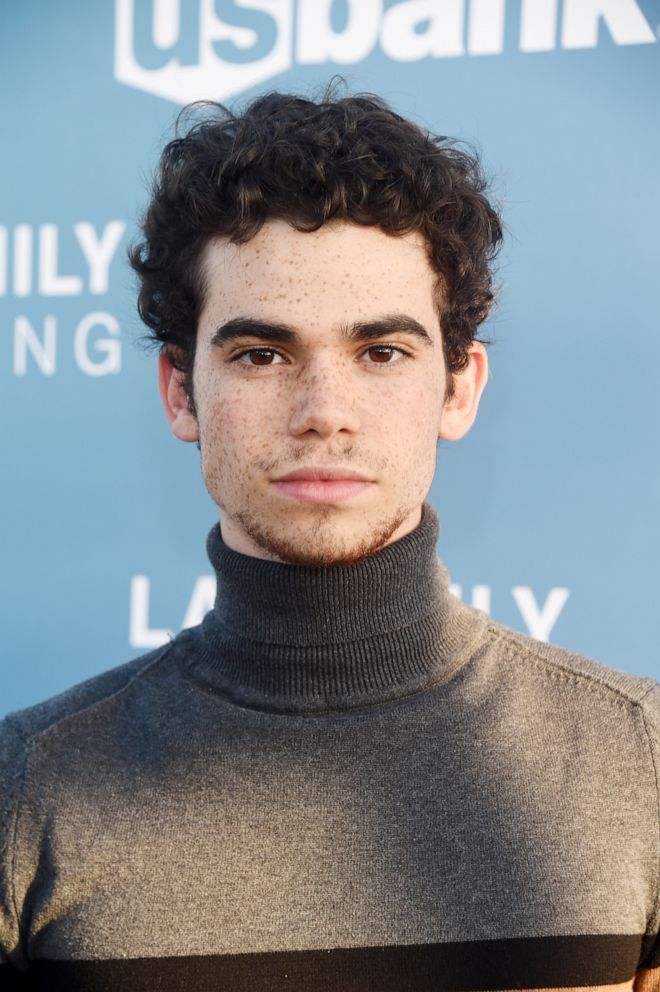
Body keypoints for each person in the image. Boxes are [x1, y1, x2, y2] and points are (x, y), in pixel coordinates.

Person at [1, 89, 658, 992]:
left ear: (460, 388)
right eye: (261, 355)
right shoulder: (27, 789)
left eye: (381, 352)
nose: (324, 415)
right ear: (180, 393)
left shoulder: (640, 762)